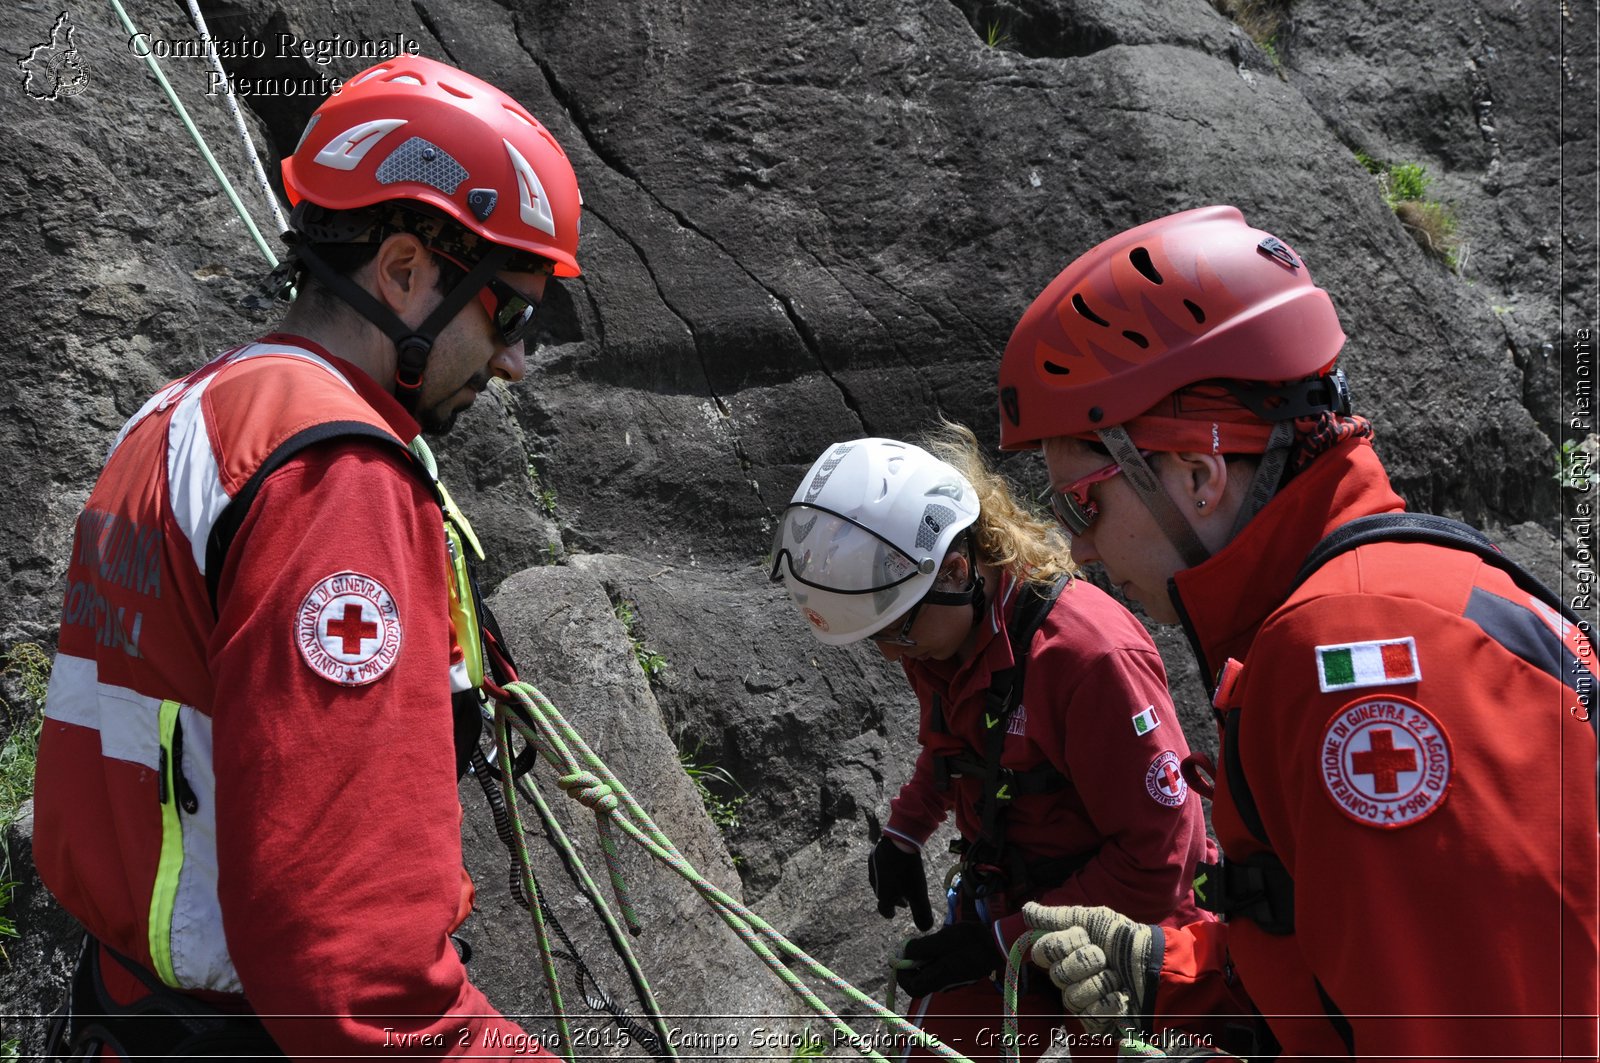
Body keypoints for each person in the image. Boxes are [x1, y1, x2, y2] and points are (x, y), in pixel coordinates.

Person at [34, 55, 582, 1058]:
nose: (514, 359)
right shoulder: (332, 477)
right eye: (510, 311)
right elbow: (353, 968)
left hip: (125, 1012)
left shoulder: (183, 417)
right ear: (407, 270)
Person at [996, 205, 1599, 1060]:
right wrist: (1173, 973)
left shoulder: (1354, 656)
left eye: (1081, 502)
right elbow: (1374, 953)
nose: (1078, 546)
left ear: (1198, 475)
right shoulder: (1391, 598)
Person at [768, 425, 1212, 1061]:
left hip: (1124, 926)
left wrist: (1001, 941)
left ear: (955, 569)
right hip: (1007, 906)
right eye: (877, 639)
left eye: (896, 631)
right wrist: (904, 833)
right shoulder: (938, 628)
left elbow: (1162, 859)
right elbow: (953, 745)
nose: (894, 653)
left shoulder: (1089, 659)